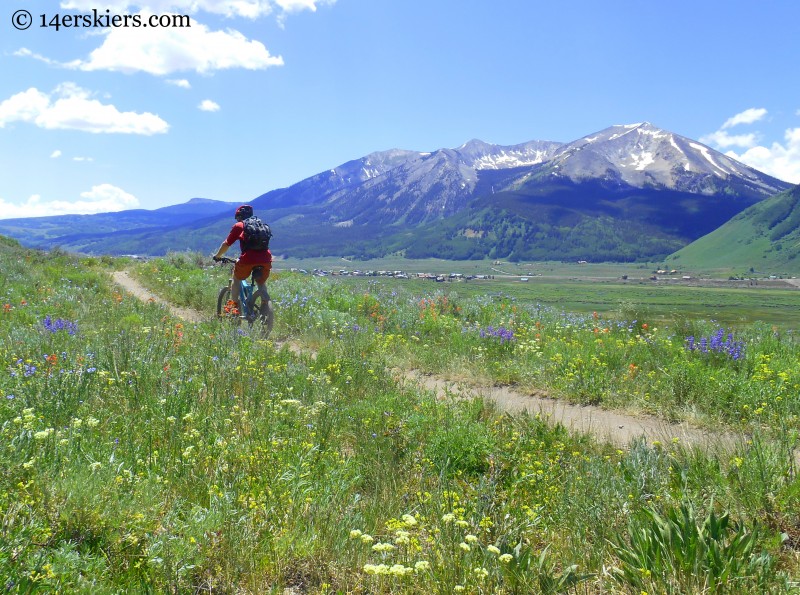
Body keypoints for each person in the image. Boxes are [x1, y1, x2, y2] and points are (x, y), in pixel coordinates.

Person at [213, 204, 272, 314]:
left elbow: (226, 244)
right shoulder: (260, 225)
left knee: (236, 279)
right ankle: (265, 308)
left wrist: (218, 256)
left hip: (248, 259)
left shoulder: (239, 226)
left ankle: (234, 309)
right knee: (261, 282)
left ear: (239, 216)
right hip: (266, 258)